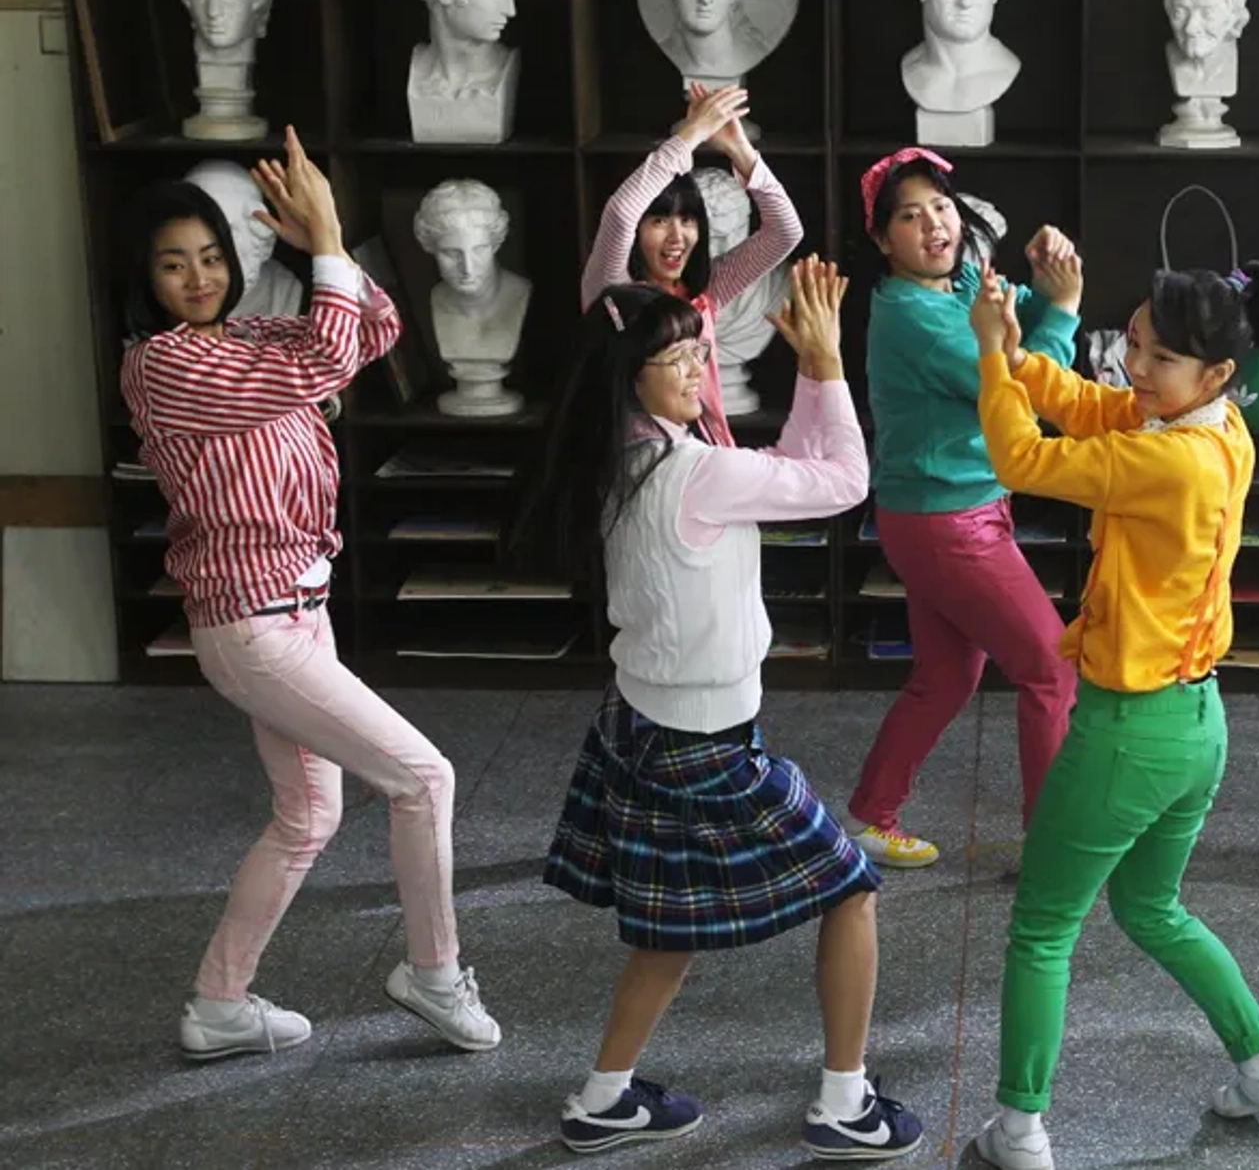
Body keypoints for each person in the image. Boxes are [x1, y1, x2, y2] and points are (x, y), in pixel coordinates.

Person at [511, 259, 924, 1160]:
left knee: (667, 935)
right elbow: (842, 479)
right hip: (704, 743)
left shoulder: (621, 454)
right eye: (678, 360)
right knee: (852, 889)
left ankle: (602, 1098)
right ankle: (845, 1106)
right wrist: (825, 364)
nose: (699, 369)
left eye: (700, 350)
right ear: (633, 379)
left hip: (647, 724)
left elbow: (789, 470)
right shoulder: (692, 468)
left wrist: (812, 371)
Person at [120, 127, 499, 1062]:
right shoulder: (164, 366)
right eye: (174, 264)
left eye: (212, 256)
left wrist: (313, 244)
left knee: (309, 816)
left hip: (299, 611)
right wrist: (328, 240)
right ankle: (434, 972)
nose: (200, 277)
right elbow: (326, 360)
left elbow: (371, 331)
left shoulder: (245, 334)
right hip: (254, 628)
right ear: (143, 278)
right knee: (425, 778)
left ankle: (219, 1003)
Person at [966, 261, 1259, 1170]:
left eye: (1160, 356)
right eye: (1132, 343)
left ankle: (1020, 1129)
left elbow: (1023, 460)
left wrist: (991, 361)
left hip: (1131, 731)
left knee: (1044, 925)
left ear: (1215, 376)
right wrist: (1022, 349)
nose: (1135, 366)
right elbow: (1092, 408)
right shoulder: (1216, 430)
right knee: (1152, 906)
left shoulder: (1166, 460)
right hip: (1197, 725)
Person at [844, 147, 1080, 870]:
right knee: (1049, 666)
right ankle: (1052, 849)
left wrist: (1045, 289)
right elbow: (1016, 388)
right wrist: (1064, 311)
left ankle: (870, 815)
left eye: (941, 208)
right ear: (884, 241)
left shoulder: (955, 285)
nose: (933, 225)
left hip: (946, 512)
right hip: (948, 524)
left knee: (947, 676)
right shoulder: (914, 315)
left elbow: (1016, 317)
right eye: (909, 217)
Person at [579, 81, 803, 448]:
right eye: (659, 221)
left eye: (688, 220)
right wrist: (690, 135)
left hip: (702, 453)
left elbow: (785, 232)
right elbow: (620, 214)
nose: (676, 237)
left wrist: (738, 149)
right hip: (628, 460)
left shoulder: (704, 291)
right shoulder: (612, 289)